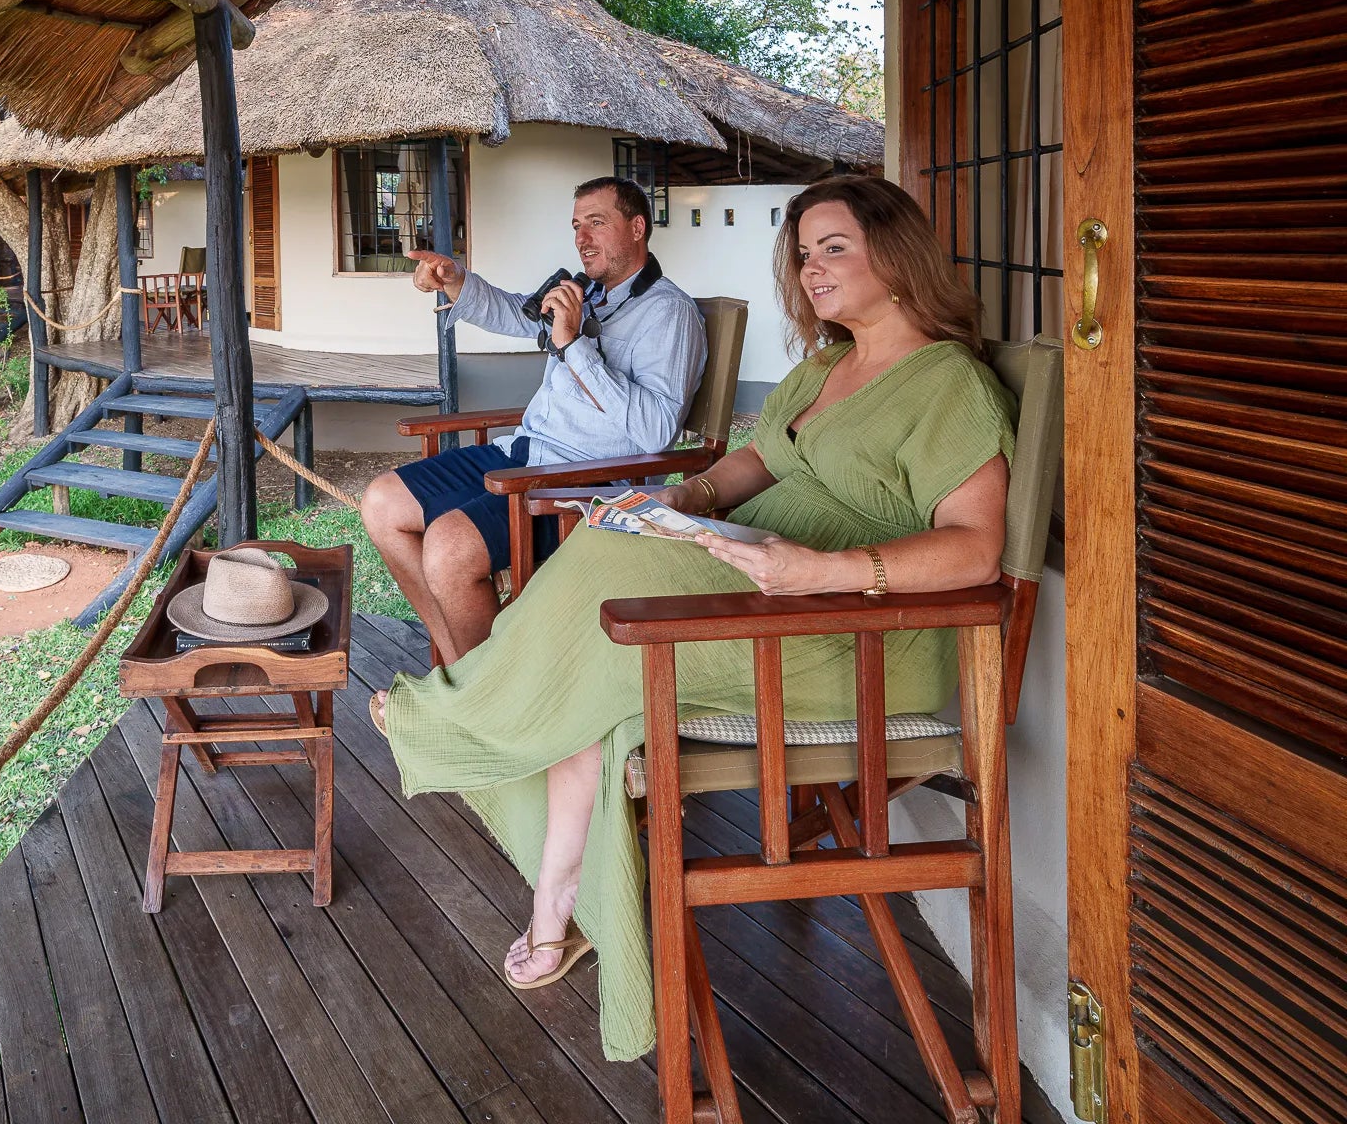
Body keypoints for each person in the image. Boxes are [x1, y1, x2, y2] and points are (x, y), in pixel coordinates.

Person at [371, 175, 1017, 1062]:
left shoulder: (950, 383)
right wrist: (680, 496)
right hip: (765, 586)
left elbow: (976, 550)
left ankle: (462, 710)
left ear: (897, 256)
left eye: (834, 248)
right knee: (604, 607)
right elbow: (749, 461)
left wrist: (819, 569)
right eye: (803, 253)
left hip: (856, 631)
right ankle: (558, 900)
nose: (813, 269)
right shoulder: (828, 365)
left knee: (601, 576)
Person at [360, 177, 706, 666]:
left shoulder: (669, 313)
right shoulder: (588, 292)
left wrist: (572, 345)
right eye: (576, 226)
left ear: (637, 227)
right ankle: (467, 676)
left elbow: (654, 431)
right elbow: (517, 313)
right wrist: (455, 278)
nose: (582, 238)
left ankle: (482, 694)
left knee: (449, 548)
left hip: (589, 484)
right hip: (527, 455)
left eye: (596, 223)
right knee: (382, 504)